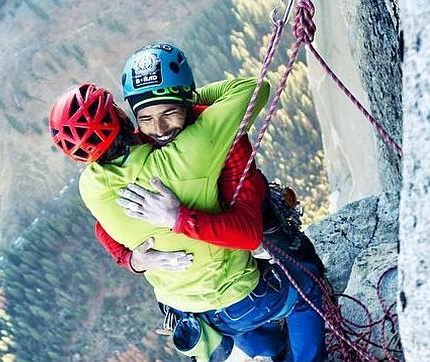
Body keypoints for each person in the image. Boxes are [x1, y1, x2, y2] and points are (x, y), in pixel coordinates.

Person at [49, 42, 324, 361]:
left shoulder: (92, 186)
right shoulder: (194, 148)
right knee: (309, 282)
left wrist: (135, 260)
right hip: (233, 290)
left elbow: (103, 230)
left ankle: (274, 353)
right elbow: (252, 89)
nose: (159, 129)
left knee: (258, 329)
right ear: (125, 118)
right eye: (147, 118)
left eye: (168, 112)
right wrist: (178, 220)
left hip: (183, 303)